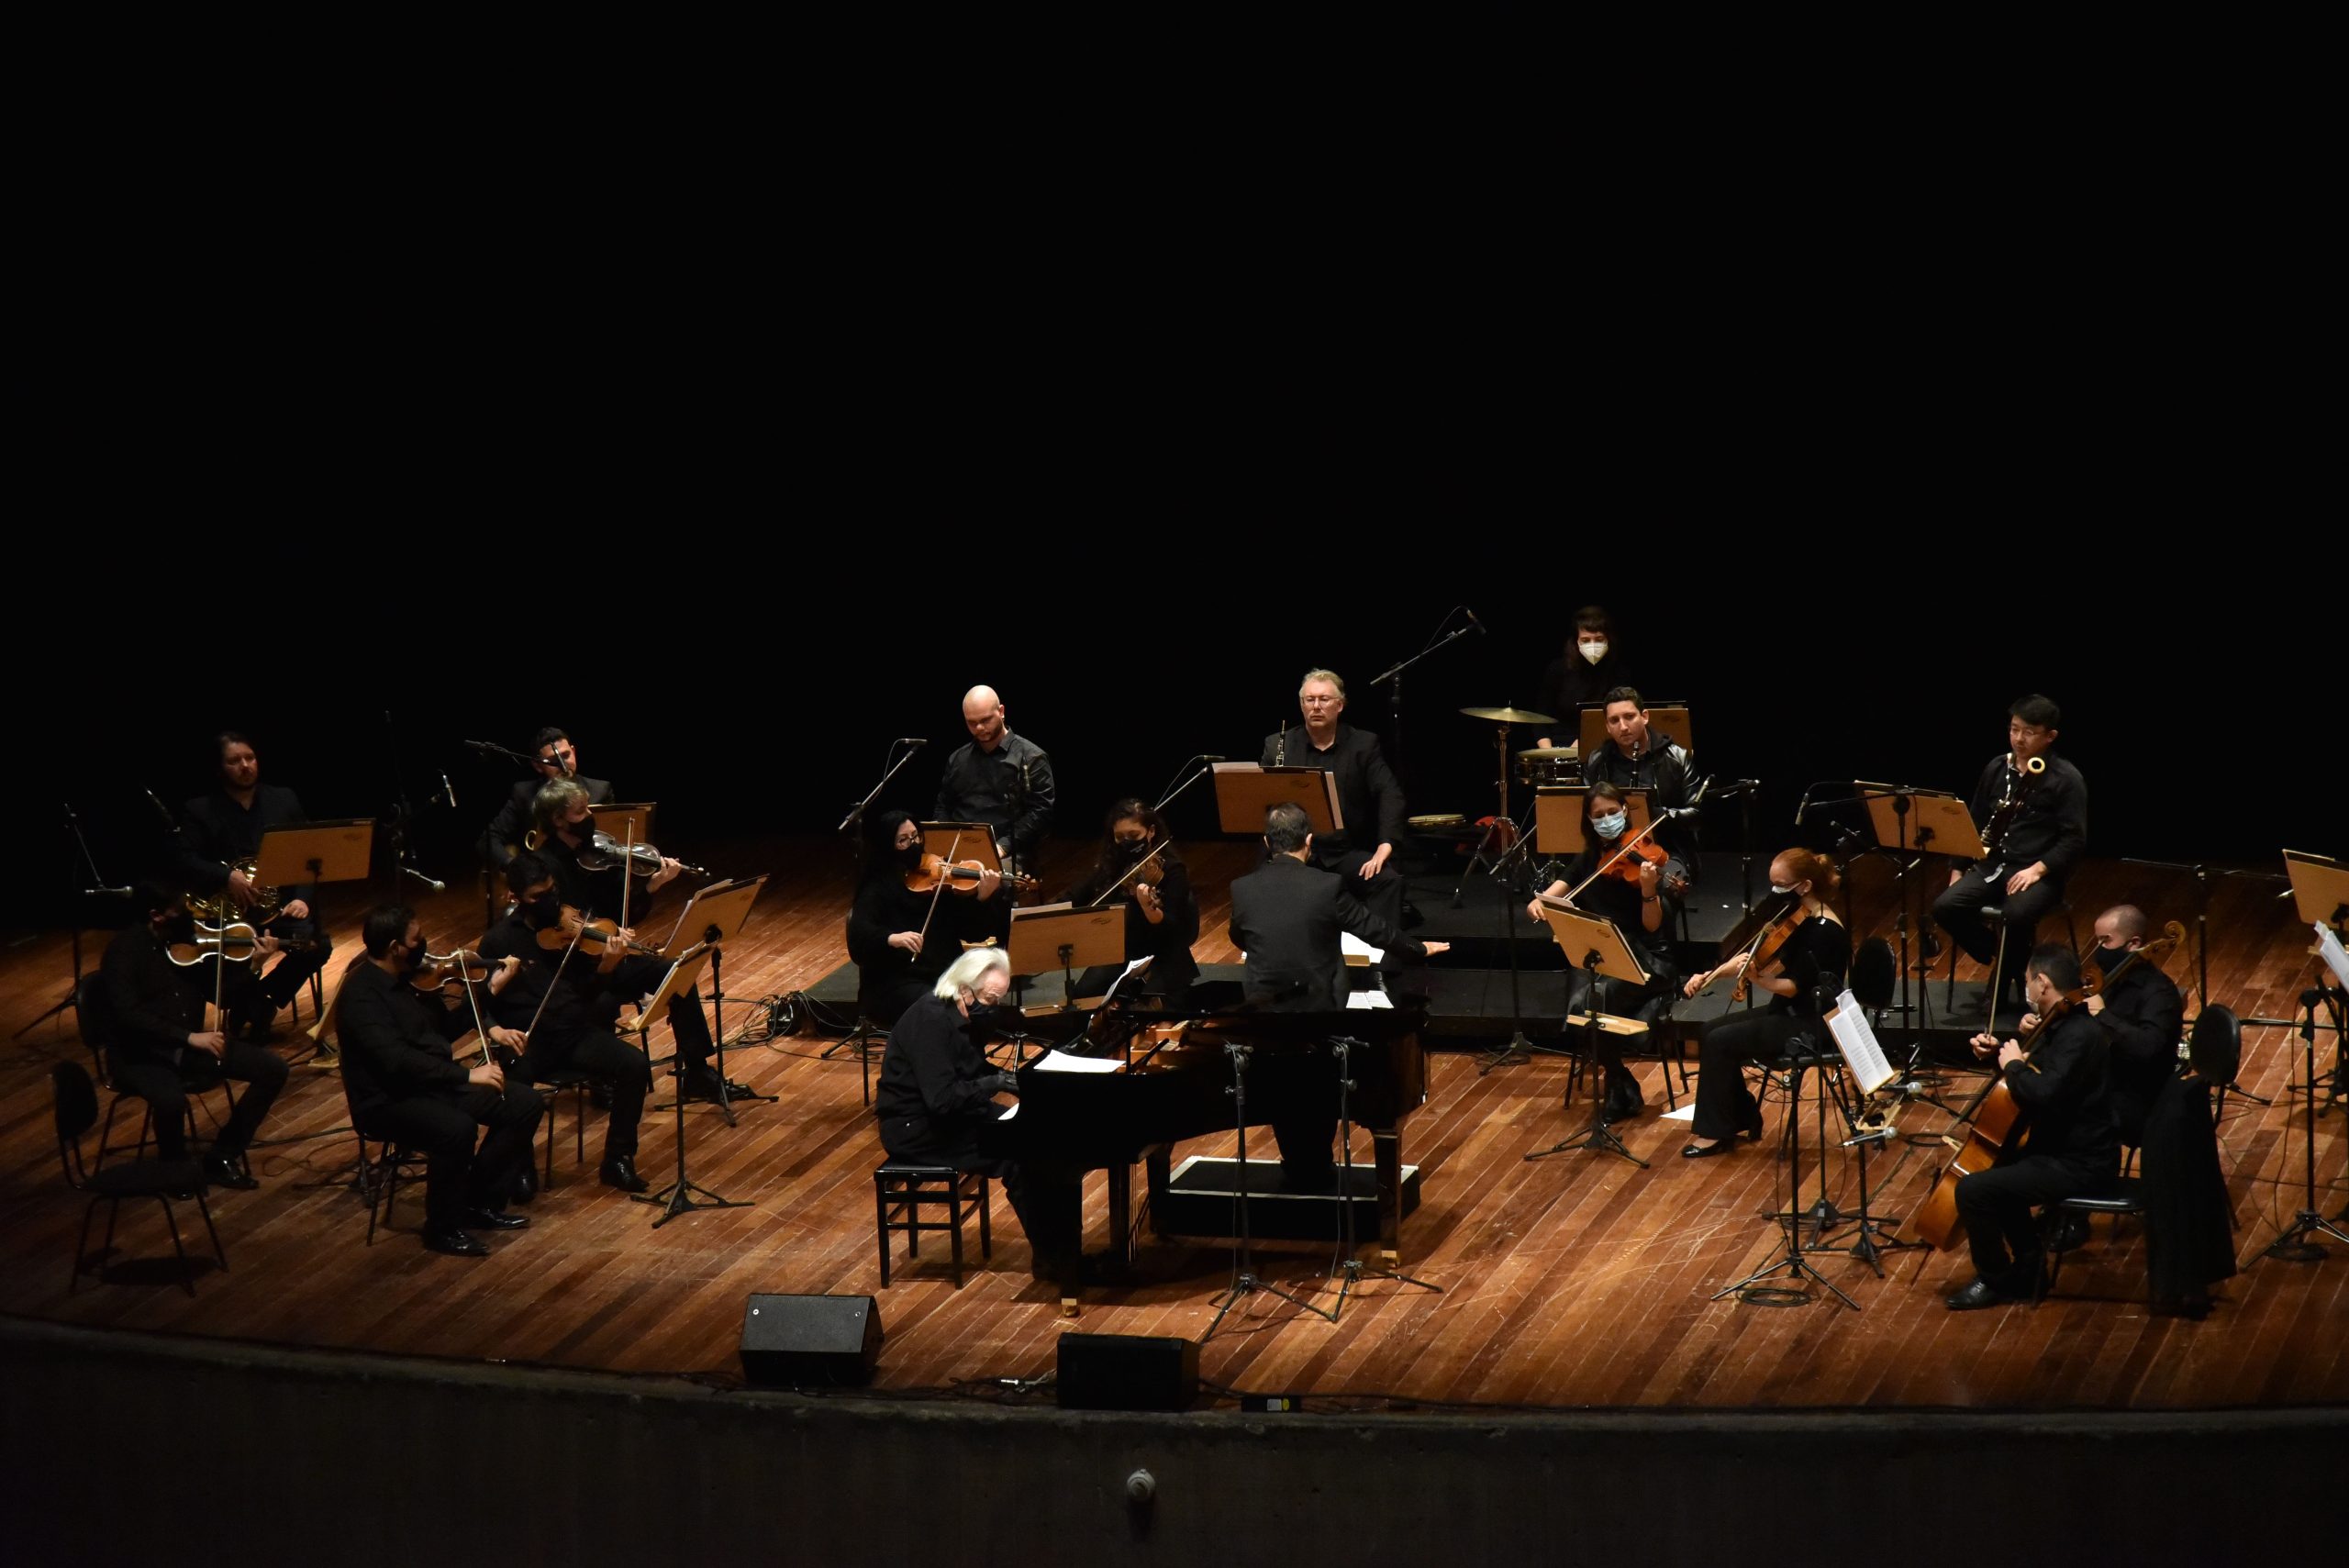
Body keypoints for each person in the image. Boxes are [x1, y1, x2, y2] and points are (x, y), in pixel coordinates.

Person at [1227, 803, 1448, 1189]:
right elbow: (1373, 929)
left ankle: (1298, 1165)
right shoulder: (1326, 886)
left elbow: (1238, 934)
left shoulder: (1242, 888)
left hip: (1263, 1015)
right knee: (1317, 1090)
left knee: (1281, 1091)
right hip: (1319, 1012)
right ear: (1309, 843)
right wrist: (1416, 948)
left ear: (1266, 843)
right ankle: (1314, 1166)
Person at [337, 906, 544, 1257]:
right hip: (387, 1100)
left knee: (524, 1104)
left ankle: (477, 1202)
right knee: (456, 1128)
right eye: (416, 939)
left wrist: (486, 991)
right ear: (394, 947)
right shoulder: (362, 996)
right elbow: (397, 1061)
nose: (424, 946)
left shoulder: (409, 981)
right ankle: (442, 1228)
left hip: (430, 1085)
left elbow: (442, 1033)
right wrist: (467, 1074)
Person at [874, 947, 1084, 1289]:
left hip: (955, 1115)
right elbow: (941, 1100)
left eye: (998, 1000)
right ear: (964, 990)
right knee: (1017, 1156)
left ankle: (1063, 1249)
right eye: (989, 998)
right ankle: (1054, 1260)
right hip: (917, 1128)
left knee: (1039, 1135)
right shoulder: (929, 1021)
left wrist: (1016, 1083)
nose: (993, 1008)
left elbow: (973, 1071)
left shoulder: (965, 1017)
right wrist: (993, 1084)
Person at [528, 778, 742, 1101]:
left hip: (610, 953)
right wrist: (605, 934)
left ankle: (697, 1071)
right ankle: (602, 1076)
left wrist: (653, 885)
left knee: (675, 972)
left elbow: (619, 910)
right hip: (576, 967)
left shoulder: (591, 855)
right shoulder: (546, 866)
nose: (589, 817)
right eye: (581, 811)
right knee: (601, 1000)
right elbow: (559, 924)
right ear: (558, 820)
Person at [1943, 943, 2121, 1308]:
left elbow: (2043, 1091)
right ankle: (2028, 1268)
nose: (2026, 988)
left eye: (2027, 981)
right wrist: (2001, 1058)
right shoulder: (2062, 1026)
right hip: (2057, 1149)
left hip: (2081, 1163)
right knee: (2000, 1176)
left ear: (2042, 983)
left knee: (1974, 1190)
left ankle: (1998, 1280)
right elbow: (2033, 1077)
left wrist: (2013, 1066)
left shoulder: (2077, 1035)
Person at [476, 851, 654, 1193]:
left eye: (552, 891)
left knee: (634, 1065)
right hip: (527, 1041)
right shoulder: (498, 940)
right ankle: (518, 1163)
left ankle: (618, 1159)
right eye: (538, 897)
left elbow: (590, 993)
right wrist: (494, 1029)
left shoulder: (572, 933)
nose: (550, 902)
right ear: (516, 897)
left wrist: (606, 966)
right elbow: (476, 1000)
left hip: (573, 1033)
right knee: (515, 1086)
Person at [94, 884, 289, 1189]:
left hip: (187, 1048)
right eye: (181, 907)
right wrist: (188, 1037)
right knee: (172, 1101)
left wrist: (254, 965)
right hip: (140, 1055)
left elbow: (221, 996)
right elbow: (128, 1016)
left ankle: (222, 1155)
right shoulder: (123, 951)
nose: (190, 914)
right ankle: (174, 1172)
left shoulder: (187, 943)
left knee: (274, 1070)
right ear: (157, 916)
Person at [1678, 850, 1849, 1157]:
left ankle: (1715, 1133)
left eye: (1781, 884)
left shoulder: (1824, 932)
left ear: (1805, 885)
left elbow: (1793, 987)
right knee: (1710, 1030)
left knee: (1719, 1040)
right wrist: (1712, 975)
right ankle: (1741, 1117)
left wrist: (1755, 978)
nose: (1774, 892)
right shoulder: (1801, 918)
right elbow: (1767, 961)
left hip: (1812, 1021)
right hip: (1791, 1012)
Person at [1524, 782, 1679, 1118]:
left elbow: (1653, 927)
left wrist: (1650, 890)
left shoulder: (1645, 857)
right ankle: (1620, 1079)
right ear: (1589, 820)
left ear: (1625, 810)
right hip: (1607, 955)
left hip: (1649, 960)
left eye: (1613, 812)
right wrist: (1539, 905)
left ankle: (1617, 1087)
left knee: (1594, 1002)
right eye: (1599, 815)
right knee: (1580, 1005)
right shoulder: (1590, 858)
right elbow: (1554, 893)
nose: (1607, 820)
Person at [1932, 695, 2087, 1010]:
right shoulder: (1996, 768)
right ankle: (2015, 963)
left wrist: (2037, 870)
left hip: (2037, 871)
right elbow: (1973, 821)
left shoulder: (2066, 779)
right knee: (1944, 907)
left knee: (2016, 915)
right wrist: (1957, 870)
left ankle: (1999, 986)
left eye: (2028, 732)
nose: (2018, 738)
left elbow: (2074, 840)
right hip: (1993, 865)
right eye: (2014, 729)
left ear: (2050, 736)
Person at [176, 730, 333, 1041]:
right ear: (220, 769)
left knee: (317, 945)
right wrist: (226, 877)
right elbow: (183, 859)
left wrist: (301, 898)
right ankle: (249, 1004)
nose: (246, 765)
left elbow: (308, 855)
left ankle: (263, 1001)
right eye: (235, 761)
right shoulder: (200, 810)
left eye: (250, 758)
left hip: (279, 911)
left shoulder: (283, 799)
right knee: (230, 968)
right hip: (232, 917)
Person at [1257, 668, 1409, 939]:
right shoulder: (1277, 745)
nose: (1316, 706)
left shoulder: (1364, 744)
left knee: (1388, 881)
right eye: (1309, 700)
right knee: (1259, 884)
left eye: (1324, 699)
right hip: (1293, 853)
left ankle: (1382, 966)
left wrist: (1385, 846)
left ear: (1340, 705)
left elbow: (1390, 793)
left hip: (1344, 851)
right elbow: (1261, 803)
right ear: (1301, 705)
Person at [849, 809, 1007, 1026]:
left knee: (984, 1004)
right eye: (903, 840)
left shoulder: (939, 882)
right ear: (887, 846)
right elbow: (858, 936)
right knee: (940, 1009)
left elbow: (974, 932)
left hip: (944, 972)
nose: (913, 845)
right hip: (896, 980)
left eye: (916, 836)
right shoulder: (876, 888)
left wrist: (982, 899)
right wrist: (891, 938)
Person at [1062, 798, 1198, 1009]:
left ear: (1151, 832)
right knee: (1082, 996)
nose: (1126, 842)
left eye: (1134, 836)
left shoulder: (1171, 869)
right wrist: (1042, 911)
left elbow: (1173, 926)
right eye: (1119, 837)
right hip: (1122, 950)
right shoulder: (1112, 866)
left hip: (1163, 952)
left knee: (1145, 1007)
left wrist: (1149, 908)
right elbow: (1076, 895)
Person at [2084, 904, 2185, 1148]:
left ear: (2133, 943)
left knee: (2066, 1109)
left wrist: (2102, 1014)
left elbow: (2149, 1047)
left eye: (2104, 941)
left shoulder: (2159, 992)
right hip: (2107, 1082)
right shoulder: (2109, 981)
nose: (2098, 950)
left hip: (2138, 1097)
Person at [1575, 688, 1696, 887]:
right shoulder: (1597, 761)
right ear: (1607, 726)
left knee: (1662, 897)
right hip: (1610, 851)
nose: (1623, 727)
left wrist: (1656, 814)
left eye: (1629, 717)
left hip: (1667, 848)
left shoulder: (1677, 758)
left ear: (1645, 716)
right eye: (1614, 720)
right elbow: (1587, 812)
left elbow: (1696, 814)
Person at [933, 685, 1055, 882]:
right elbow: (944, 805)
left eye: (985, 720)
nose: (979, 728)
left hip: (1008, 851)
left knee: (984, 883)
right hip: (960, 850)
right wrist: (942, 844)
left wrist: (1003, 845)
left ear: (1001, 712)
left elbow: (1041, 813)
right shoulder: (958, 759)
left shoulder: (1031, 757)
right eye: (972, 723)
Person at [482, 726, 615, 868]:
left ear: (574, 752)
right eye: (553, 760)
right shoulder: (524, 793)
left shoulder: (600, 790)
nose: (563, 765)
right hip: (542, 876)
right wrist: (515, 869)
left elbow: (613, 840)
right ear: (538, 766)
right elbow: (489, 840)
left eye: (566, 755)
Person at [1533, 606, 1628, 750]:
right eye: (1586, 640)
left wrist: (1582, 743)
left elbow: (1616, 717)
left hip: (1603, 746)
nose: (1593, 645)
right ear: (1576, 642)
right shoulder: (1557, 669)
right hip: (1558, 747)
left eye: (1599, 639)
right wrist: (1549, 754)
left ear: (1608, 639)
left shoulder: (1619, 672)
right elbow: (1540, 717)